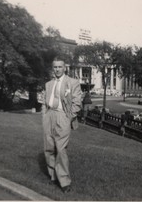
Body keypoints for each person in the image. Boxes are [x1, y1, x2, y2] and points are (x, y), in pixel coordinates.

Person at [42, 57, 82, 193]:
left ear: (64, 68)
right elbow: (44, 102)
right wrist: (44, 115)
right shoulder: (48, 84)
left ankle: (64, 182)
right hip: (49, 116)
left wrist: (68, 117)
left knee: (61, 149)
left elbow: (77, 103)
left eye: (60, 67)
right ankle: (53, 176)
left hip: (62, 116)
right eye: (55, 67)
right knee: (49, 148)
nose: (57, 69)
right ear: (52, 68)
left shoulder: (72, 83)